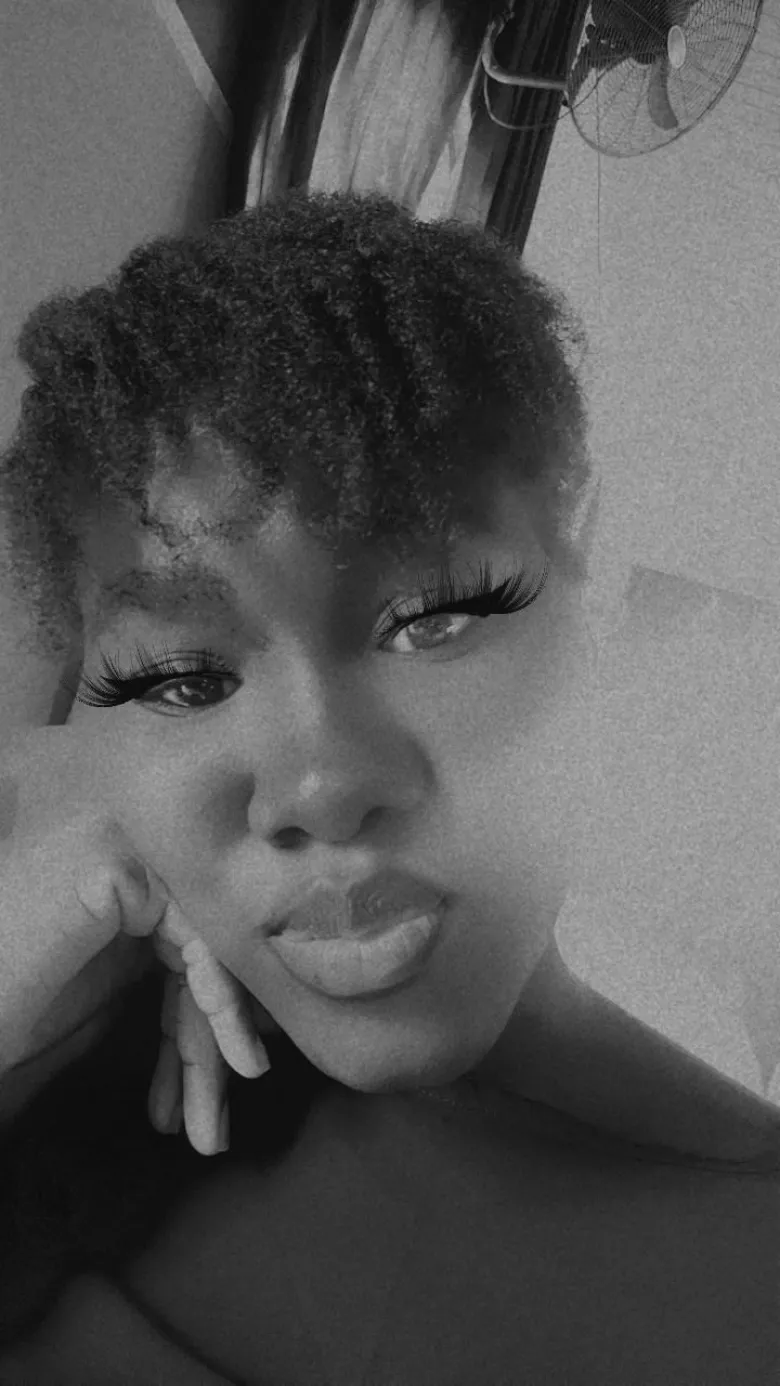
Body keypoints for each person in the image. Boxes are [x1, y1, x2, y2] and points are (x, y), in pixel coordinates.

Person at [0, 189, 777, 1384]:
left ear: (591, 582)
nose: (320, 787)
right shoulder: (45, 993)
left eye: (436, 620)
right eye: (181, 680)